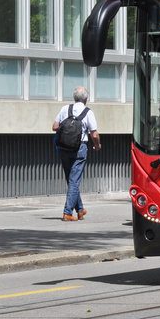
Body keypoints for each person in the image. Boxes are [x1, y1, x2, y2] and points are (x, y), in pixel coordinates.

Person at [53, 86, 101, 221]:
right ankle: (67, 212)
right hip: (80, 148)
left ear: (74, 98)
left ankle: (80, 210)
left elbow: (55, 127)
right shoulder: (88, 112)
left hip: (64, 148)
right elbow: (94, 134)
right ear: (86, 99)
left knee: (71, 180)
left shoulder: (65, 109)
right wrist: (97, 145)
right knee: (74, 181)